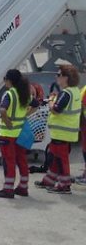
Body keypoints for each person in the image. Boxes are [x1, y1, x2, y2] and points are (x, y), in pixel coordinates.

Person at [35, 64, 81, 194]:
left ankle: (64, 185)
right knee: (55, 157)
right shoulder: (74, 91)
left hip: (62, 132)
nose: (57, 77)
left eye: (59, 75)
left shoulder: (66, 93)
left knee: (60, 159)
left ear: (66, 78)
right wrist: (56, 98)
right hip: (67, 132)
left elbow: (56, 109)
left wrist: (50, 101)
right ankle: (49, 180)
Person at [0, 69, 38, 199]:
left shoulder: (9, 94)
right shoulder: (25, 94)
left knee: (9, 161)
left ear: (9, 80)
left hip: (7, 134)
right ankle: (23, 187)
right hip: (20, 133)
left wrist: (7, 121)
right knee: (21, 159)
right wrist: (25, 115)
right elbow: (36, 105)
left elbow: (2, 110)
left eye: (5, 79)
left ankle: (8, 189)